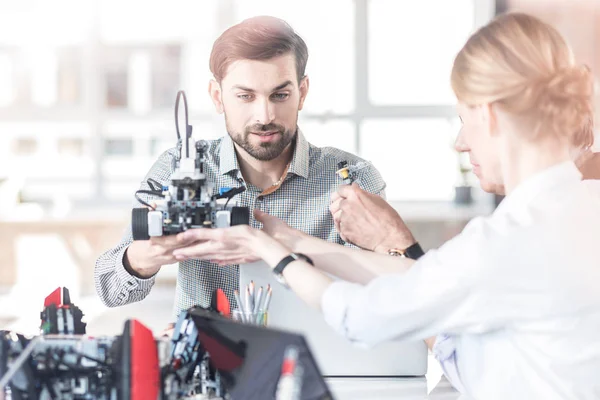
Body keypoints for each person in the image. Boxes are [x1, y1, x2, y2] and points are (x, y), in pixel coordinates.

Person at [173, 13, 600, 399]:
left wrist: (270, 251)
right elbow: (426, 279)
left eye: (462, 120)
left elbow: (359, 316)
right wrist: (290, 237)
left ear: (488, 114)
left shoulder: (505, 242)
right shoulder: (582, 208)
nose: (460, 142)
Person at [94, 16, 385, 317]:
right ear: (218, 97)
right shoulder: (178, 167)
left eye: (280, 95)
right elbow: (108, 288)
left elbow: (388, 297)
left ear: (303, 93)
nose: (264, 115)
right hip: (209, 359)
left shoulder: (352, 179)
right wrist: (144, 257)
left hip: (314, 359)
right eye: (245, 96)